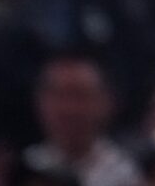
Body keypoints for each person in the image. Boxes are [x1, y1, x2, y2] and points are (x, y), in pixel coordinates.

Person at [22, 52, 142, 186]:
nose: (70, 108)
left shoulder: (131, 174)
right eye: (60, 95)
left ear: (105, 102)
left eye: (80, 96)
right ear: (41, 102)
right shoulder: (26, 168)